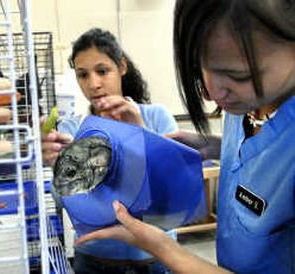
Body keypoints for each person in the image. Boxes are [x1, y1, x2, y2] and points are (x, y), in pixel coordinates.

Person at [76, 0, 295, 273]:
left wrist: (163, 248)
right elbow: (261, 159)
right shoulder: (245, 107)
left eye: (237, 75)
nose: (214, 94)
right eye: (201, 67)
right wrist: (218, 148)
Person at [41, 28, 178, 273]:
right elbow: (65, 203)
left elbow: (173, 194)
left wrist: (141, 134)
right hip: (94, 261)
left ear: (121, 67)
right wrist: (59, 169)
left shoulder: (156, 118)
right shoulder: (73, 129)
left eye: (102, 71)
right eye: (83, 75)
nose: (93, 84)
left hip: (155, 259)